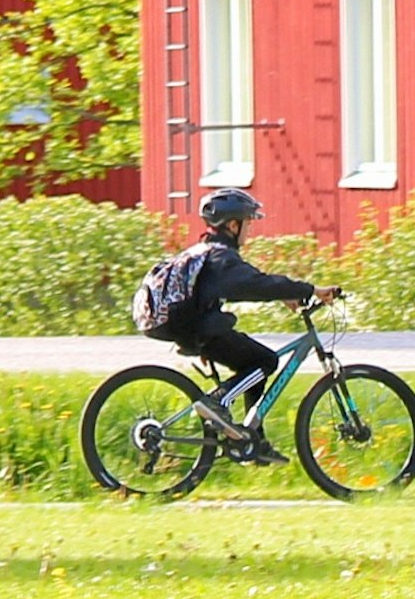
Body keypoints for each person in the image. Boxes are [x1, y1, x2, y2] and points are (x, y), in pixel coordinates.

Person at [134, 187, 340, 436]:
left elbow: (243, 286)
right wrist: (311, 290)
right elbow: (256, 284)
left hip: (188, 325)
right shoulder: (220, 257)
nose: (250, 229)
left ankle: (253, 440)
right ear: (233, 225)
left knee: (253, 363)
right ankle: (218, 402)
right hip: (194, 327)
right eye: (248, 222)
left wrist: (284, 294)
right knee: (265, 361)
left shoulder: (206, 252)